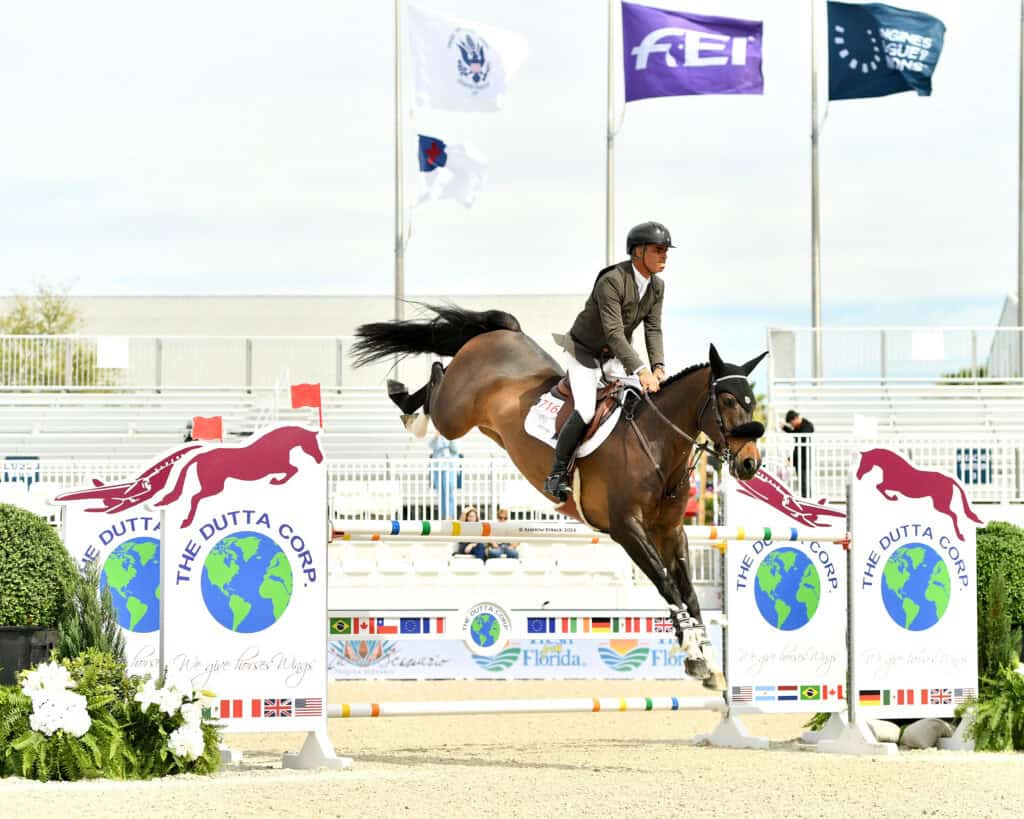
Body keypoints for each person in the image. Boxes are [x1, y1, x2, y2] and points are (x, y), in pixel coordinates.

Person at [545, 221, 673, 501]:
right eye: (658, 249)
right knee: (587, 409)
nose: (665, 255)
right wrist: (641, 370)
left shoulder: (657, 287)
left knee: (642, 401)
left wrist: (659, 366)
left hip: (613, 357)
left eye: (666, 250)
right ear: (638, 252)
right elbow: (614, 332)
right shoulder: (612, 281)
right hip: (584, 352)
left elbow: (653, 328)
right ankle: (556, 474)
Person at [428, 433, 462, 519]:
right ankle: (443, 515)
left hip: (450, 467)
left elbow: (455, 449)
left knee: (449, 492)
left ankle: (450, 515)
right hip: (437, 467)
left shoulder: (454, 434)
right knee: (441, 493)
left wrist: (450, 436)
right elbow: (430, 445)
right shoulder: (437, 435)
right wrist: (436, 436)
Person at [782, 409, 815, 498]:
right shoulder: (800, 427)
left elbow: (799, 439)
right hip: (799, 460)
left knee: (805, 484)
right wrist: (785, 428)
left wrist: (790, 459)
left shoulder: (807, 426)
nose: (791, 425)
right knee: (802, 483)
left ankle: (808, 501)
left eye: (791, 423)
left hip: (805, 460)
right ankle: (806, 499)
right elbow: (795, 434)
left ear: (795, 419)